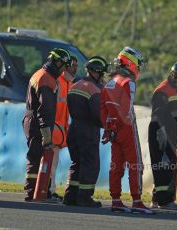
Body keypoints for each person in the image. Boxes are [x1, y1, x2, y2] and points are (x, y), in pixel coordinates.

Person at [100, 47, 154, 214]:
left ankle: (116, 200)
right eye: (138, 64)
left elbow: (103, 110)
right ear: (130, 63)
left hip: (112, 130)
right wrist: (119, 125)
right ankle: (137, 201)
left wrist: (109, 128)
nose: (139, 68)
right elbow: (126, 108)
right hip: (126, 128)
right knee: (135, 164)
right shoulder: (128, 82)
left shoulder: (109, 82)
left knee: (116, 165)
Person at [22, 48, 71, 202]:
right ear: (57, 62)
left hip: (35, 120)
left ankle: (43, 192)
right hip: (38, 123)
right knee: (36, 157)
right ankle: (32, 193)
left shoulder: (42, 74)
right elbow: (44, 110)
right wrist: (47, 136)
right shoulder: (46, 79)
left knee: (42, 157)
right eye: (63, 65)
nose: (64, 69)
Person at [62, 56, 108, 207]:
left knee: (77, 163)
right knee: (90, 164)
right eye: (102, 73)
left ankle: (70, 196)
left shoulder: (76, 84)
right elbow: (97, 115)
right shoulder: (94, 90)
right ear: (97, 72)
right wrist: (107, 126)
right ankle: (84, 198)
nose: (103, 77)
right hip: (88, 131)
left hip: (73, 128)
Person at [149, 61, 177, 210]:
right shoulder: (162, 90)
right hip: (160, 133)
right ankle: (164, 201)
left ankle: (156, 199)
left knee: (167, 165)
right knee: (162, 167)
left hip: (171, 134)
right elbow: (157, 116)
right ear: (174, 75)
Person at [49, 56, 78, 201]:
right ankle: (47, 190)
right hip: (52, 128)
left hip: (59, 130)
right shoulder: (58, 81)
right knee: (49, 162)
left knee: (53, 163)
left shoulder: (69, 83)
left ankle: (49, 189)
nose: (75, 69)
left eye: (77, 66)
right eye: (73, 65)